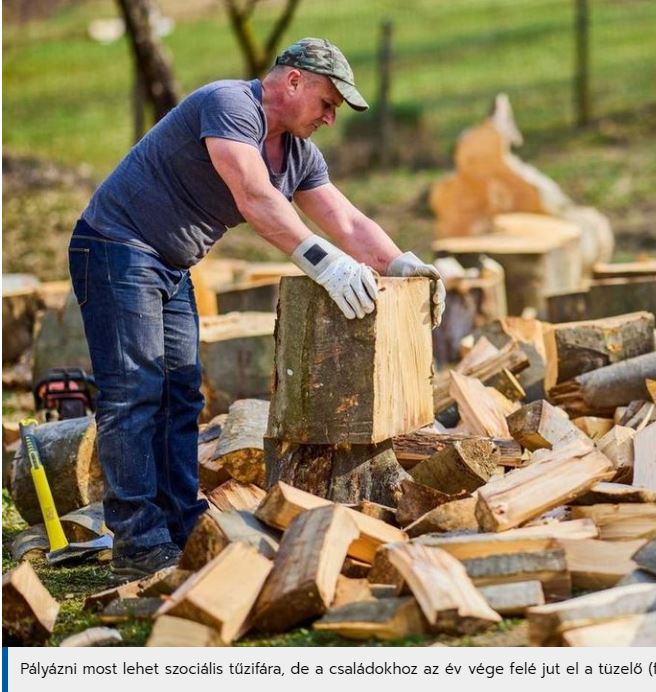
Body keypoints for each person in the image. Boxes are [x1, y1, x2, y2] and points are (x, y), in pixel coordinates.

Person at [69, 37, 445, 580]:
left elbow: (347, 221)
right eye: (327, 103)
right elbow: (253, 195)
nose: (330, 119)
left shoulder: (297, 154)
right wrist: (328, 266)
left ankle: (182, 526)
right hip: (116, 247)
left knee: (179, 393)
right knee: (134, 393)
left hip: (170, 265)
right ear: (293, 81)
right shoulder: (228, 105)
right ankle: (137, 542)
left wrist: (402, 265)